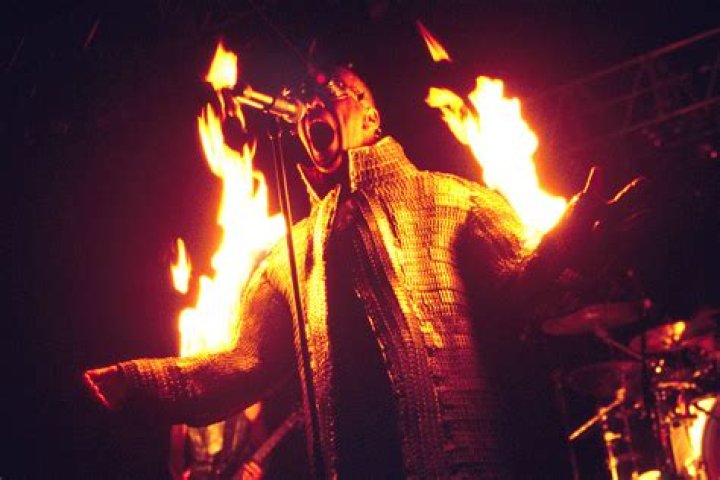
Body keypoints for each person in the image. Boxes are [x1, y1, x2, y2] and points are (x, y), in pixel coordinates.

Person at [85, 66, 640, 478]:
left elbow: (525, 283)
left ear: (371, 116)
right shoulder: (290, 254)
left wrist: (574, 234)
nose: (310, 107)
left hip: (464, 461)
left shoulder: (451, 198)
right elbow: (243, 362)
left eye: (329, 92)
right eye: (303, 104)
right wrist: (138, 382)